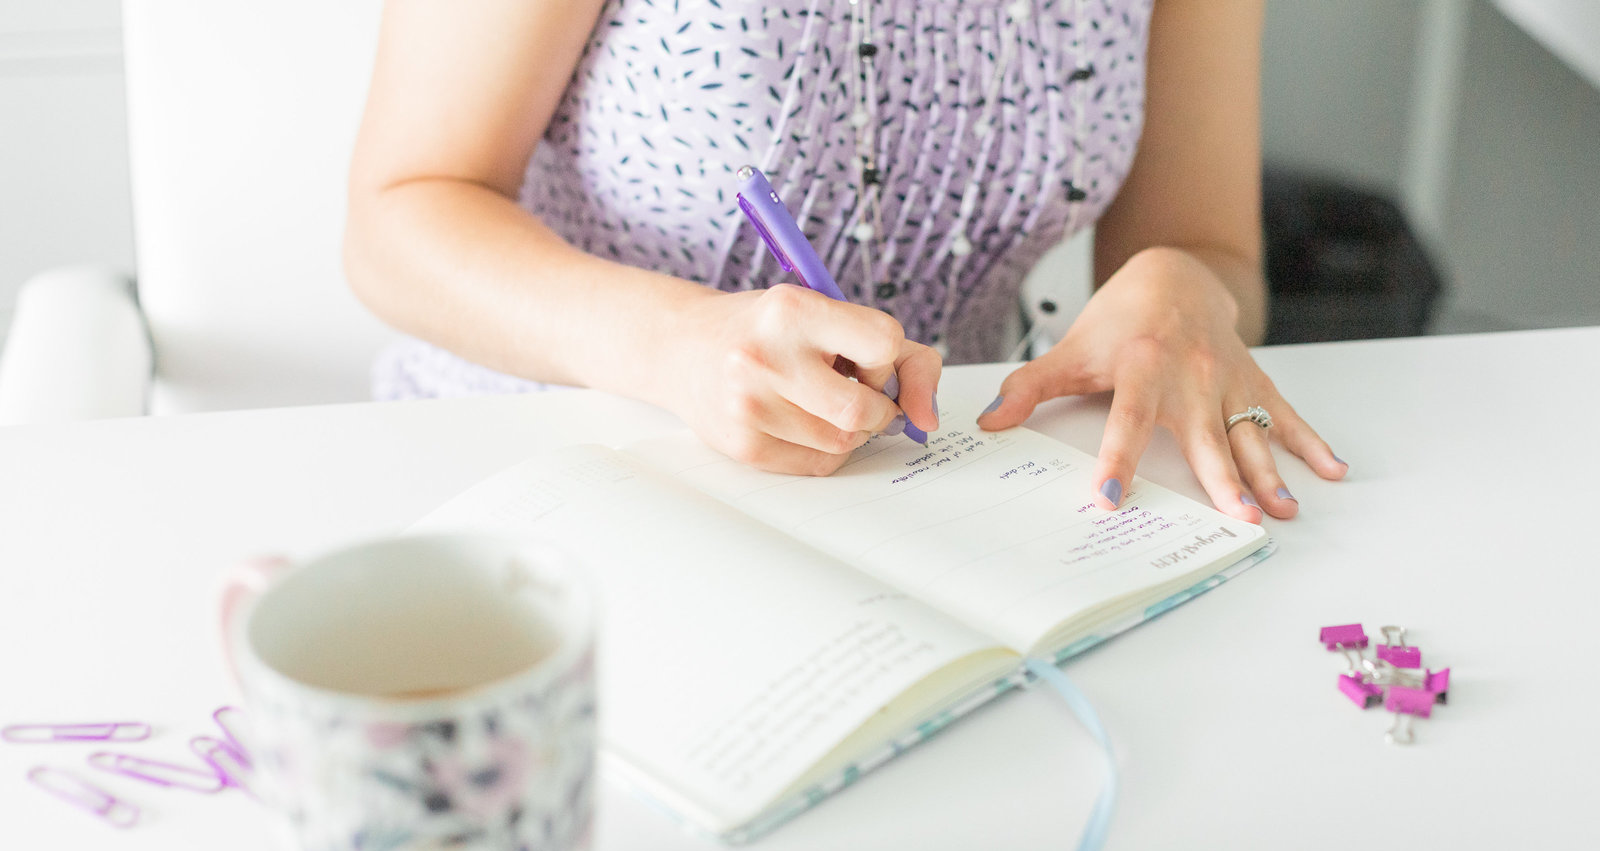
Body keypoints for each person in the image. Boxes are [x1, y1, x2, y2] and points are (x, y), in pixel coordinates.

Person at [345, 0, 1347, 523]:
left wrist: (1184, 293)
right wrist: (675, 345)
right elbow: (396, 219)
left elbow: (1211, 250)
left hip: (924, 499)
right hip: (545, 469)